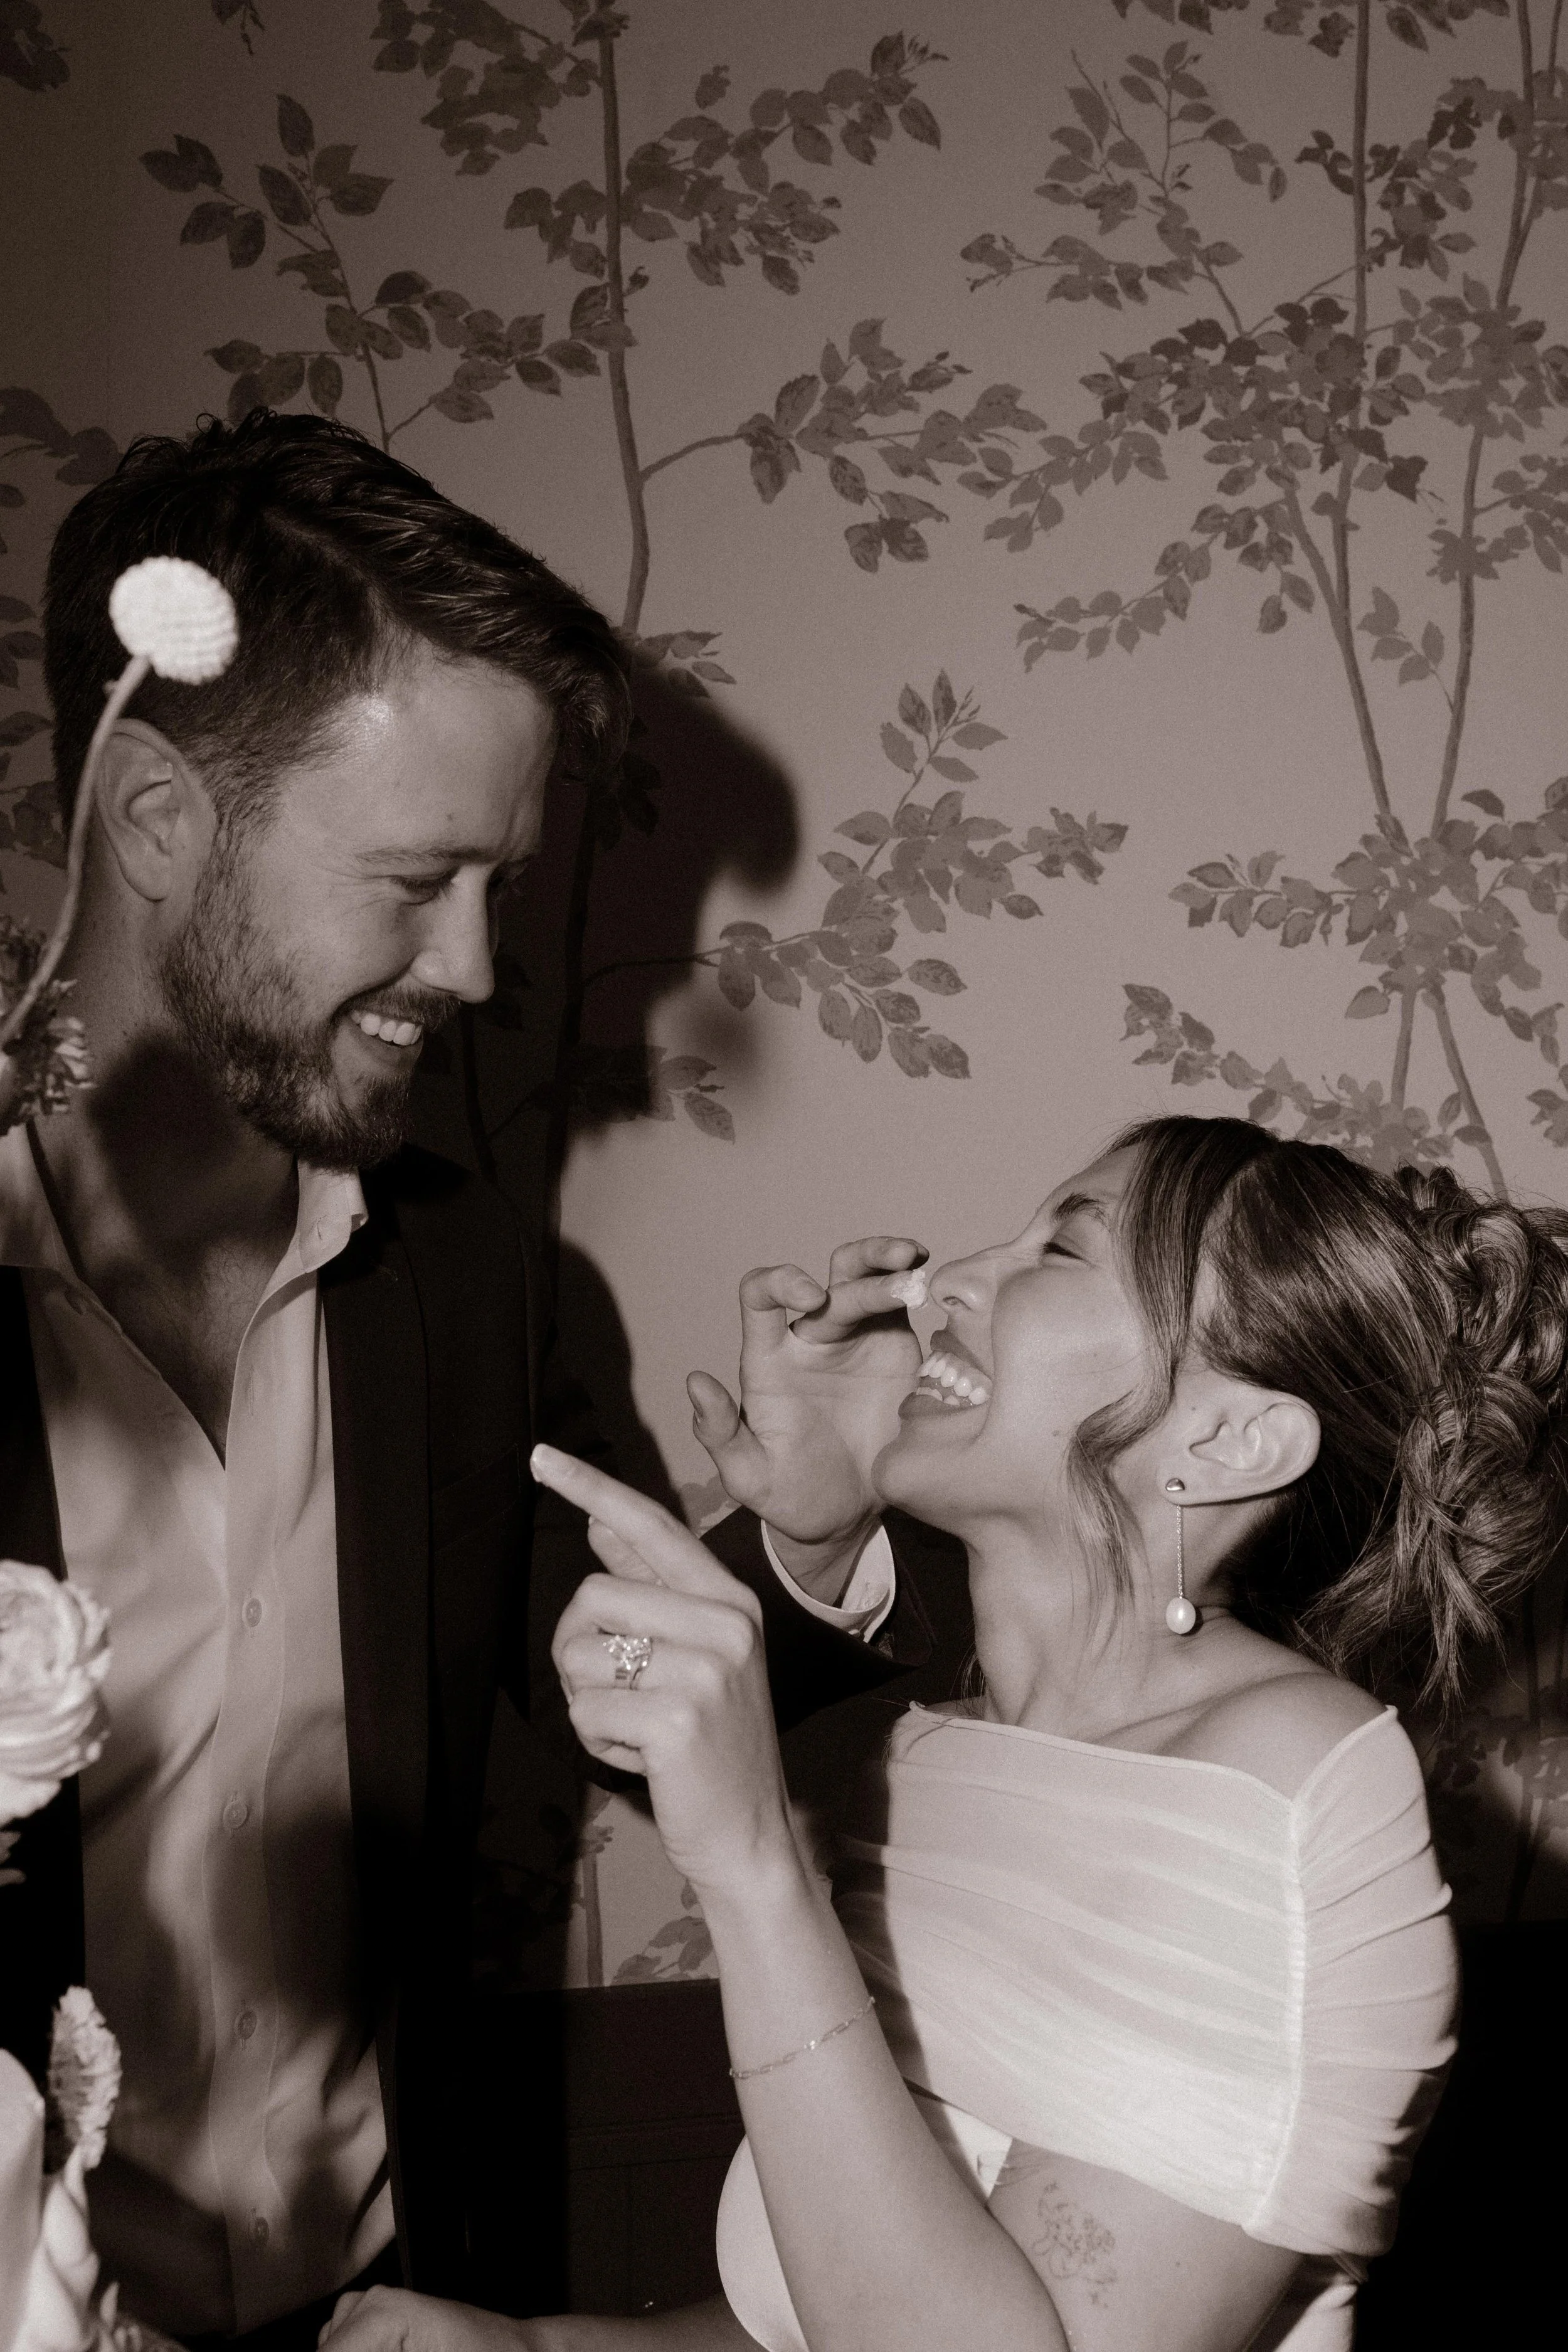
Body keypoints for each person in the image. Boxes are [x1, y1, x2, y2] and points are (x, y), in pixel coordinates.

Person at [0, 411, 959, 2349]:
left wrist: (812, 1531)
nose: (477, 961)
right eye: (422, 874)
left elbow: (630, 1693)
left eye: (498, 886)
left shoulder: (468, 1273)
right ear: (158, 822)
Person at [324, 1117, 1568, 2352]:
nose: (942, 1279)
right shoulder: (942, 1751)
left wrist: (754, 1868)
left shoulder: (1289, 1796)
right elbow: (826, 2311)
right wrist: (530, 2350)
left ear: (1225, 1440)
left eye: (1058, 1252)